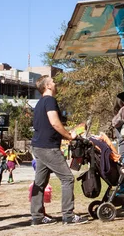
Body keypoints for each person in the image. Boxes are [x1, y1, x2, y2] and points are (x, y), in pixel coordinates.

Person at [30, 75, 88, 226]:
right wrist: (69, 136)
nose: (55, 84)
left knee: (40, 182)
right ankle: (68, 215)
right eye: (53, 81)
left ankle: (37, 216)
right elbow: (54, 123)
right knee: (67, 178)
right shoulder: (49, 100)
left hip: (38, 146)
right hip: (48, 147)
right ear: (48, 86)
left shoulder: (39, 103)